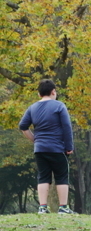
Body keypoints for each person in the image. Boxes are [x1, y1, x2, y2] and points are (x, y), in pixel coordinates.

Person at [18, 79, 75, 214]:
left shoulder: (32, 108)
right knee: (61, 176)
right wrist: (69, 146)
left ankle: (42, 207)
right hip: (57, 148)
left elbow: (23, 126)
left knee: (43, 176)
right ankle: (63, 208)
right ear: (53, 92)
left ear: (39, 94)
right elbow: (67, 127)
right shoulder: (59, 106)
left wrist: (35, 140)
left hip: (40, 149)